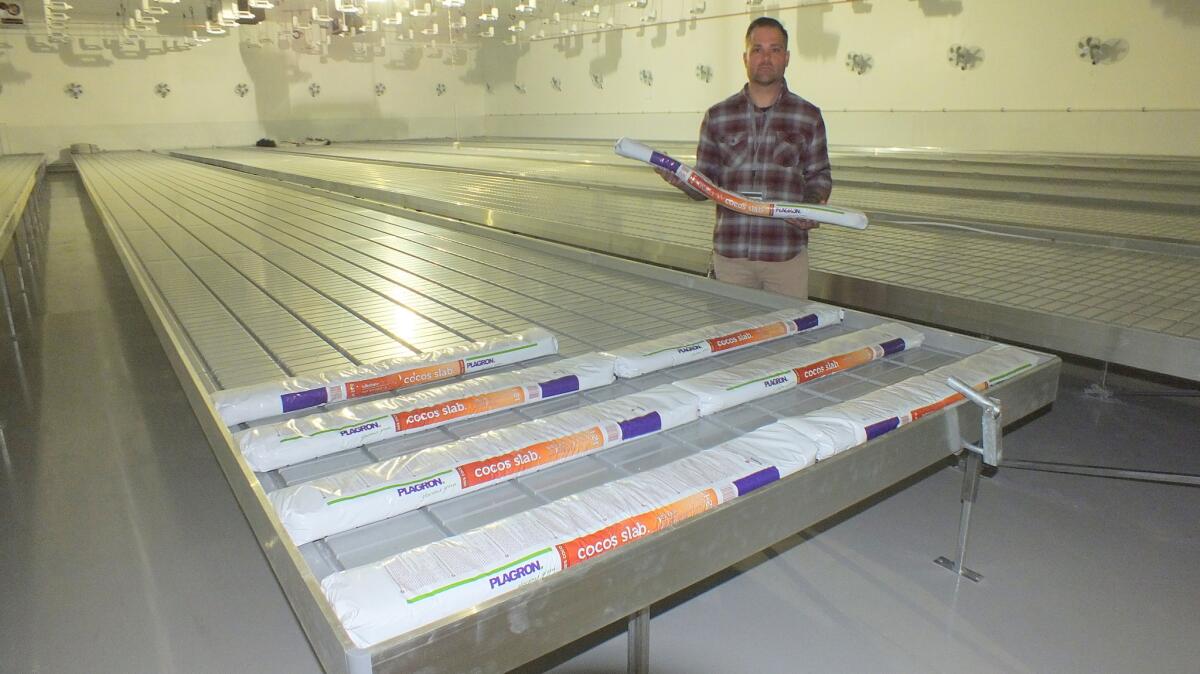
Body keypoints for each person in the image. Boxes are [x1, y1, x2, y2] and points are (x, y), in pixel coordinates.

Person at [659, 16, 831, 299]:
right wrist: (675, 175)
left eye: (774, 49)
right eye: (757, 49)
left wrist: (810, 207)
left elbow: (820, 174)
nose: (765, 57)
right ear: (745, 57)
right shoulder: (718, 116)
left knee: (790, 341)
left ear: (786, 58)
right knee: (729, 338)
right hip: (732, 258)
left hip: (785, 257)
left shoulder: (807, 116)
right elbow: (705, 185)